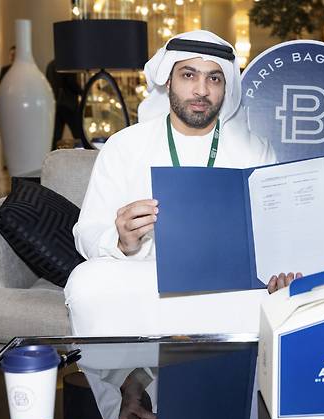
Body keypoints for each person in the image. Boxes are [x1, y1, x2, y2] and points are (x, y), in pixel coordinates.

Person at [65, 30, 299, 336]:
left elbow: (278, 233)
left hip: (229, 282)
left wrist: (280, 268)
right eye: (189, 75)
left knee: (279, 298)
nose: (201, 90)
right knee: (86, 284)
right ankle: (130, 376)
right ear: (168, 81)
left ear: (225, 86)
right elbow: (87, 231)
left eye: (214, 78)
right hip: (150, 273)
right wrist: (121, 239)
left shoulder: (256, 150)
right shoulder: (125, 145)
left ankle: (204, 378)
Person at [45, 59, 83, 149]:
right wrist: (83, 92)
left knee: (56, 136)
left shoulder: (50, 65)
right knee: (78, 133)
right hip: (68, 103)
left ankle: (52, 159)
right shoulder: (66, 64)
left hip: (55, 103)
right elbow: (71, 83)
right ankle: (85, 155)